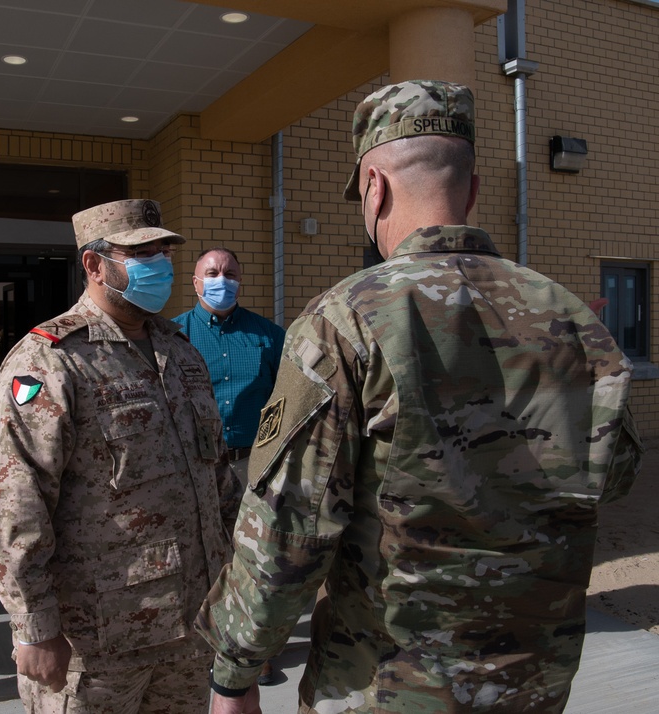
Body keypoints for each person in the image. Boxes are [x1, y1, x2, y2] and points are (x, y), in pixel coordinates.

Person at [195, 80, 644, 714]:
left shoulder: (344, 321)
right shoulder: (571, 318)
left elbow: (289, 526)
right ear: (474, 189)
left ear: (374, 187)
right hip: (533, 680)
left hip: (386, 685)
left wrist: (233, 673)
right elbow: (616, 475)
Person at [0, 198, 242, 714]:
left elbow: (216, 479)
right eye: (142, 254)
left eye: (165, 252)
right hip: (97, 639)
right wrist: (34, 627)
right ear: (94, 264)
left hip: (190, 627)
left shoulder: (180, 350)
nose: (160, 265)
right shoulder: (51, 359)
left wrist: (237, 583)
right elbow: (13, 502)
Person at [172, 247, 285, 685]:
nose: (223, 280)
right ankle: (202, 643)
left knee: (253, 561)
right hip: (194, 466)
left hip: (251, 465)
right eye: (212, 272)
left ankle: (251, 651)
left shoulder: (269, 336)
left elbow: (286, 401)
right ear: (196, 282)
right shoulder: (172, 335)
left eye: (231, 273)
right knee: (197, 557)